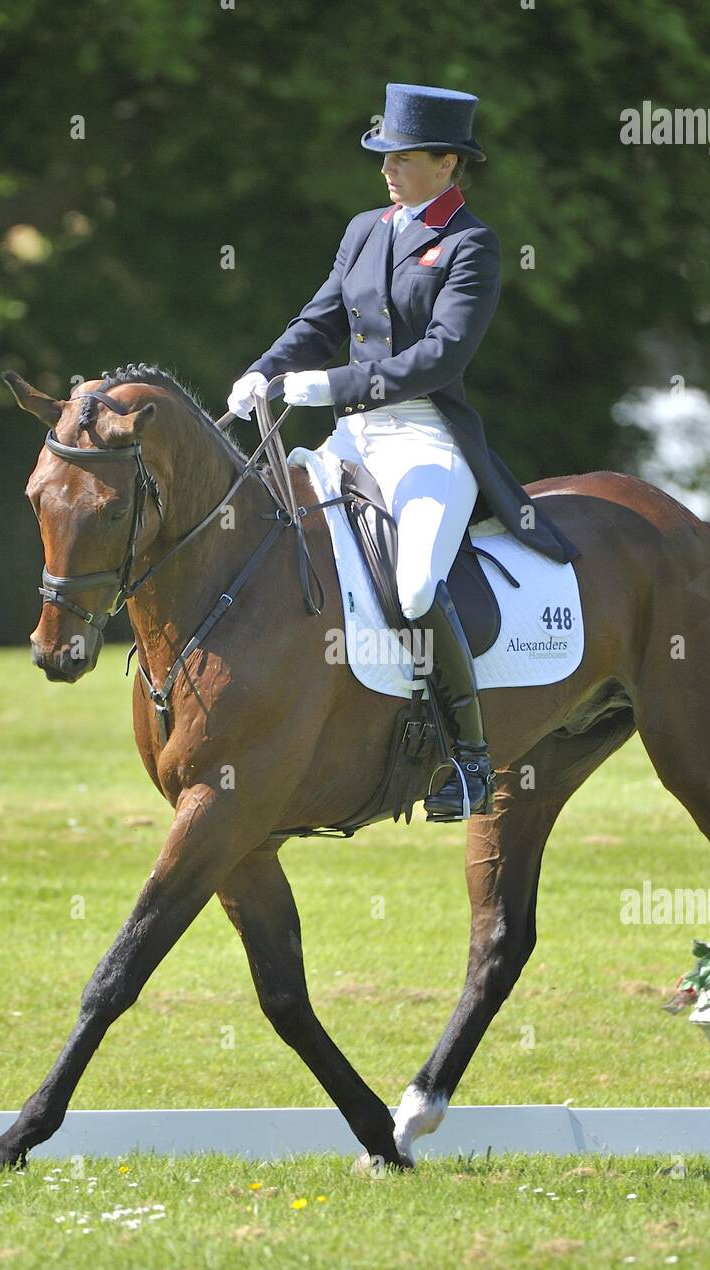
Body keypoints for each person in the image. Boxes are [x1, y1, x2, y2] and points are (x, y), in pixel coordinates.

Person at [228, 83, 579, 820]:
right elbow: (318, 318)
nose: (387, 168)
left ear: (449, 162)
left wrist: (333, 385)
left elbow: (441, 357)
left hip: (425, 437)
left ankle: (470, 757)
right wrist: (264, 368)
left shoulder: (471, 246)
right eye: (383, 154)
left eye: (404, 156)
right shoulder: (365, 229)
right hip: (353, 440)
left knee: (417, 586)